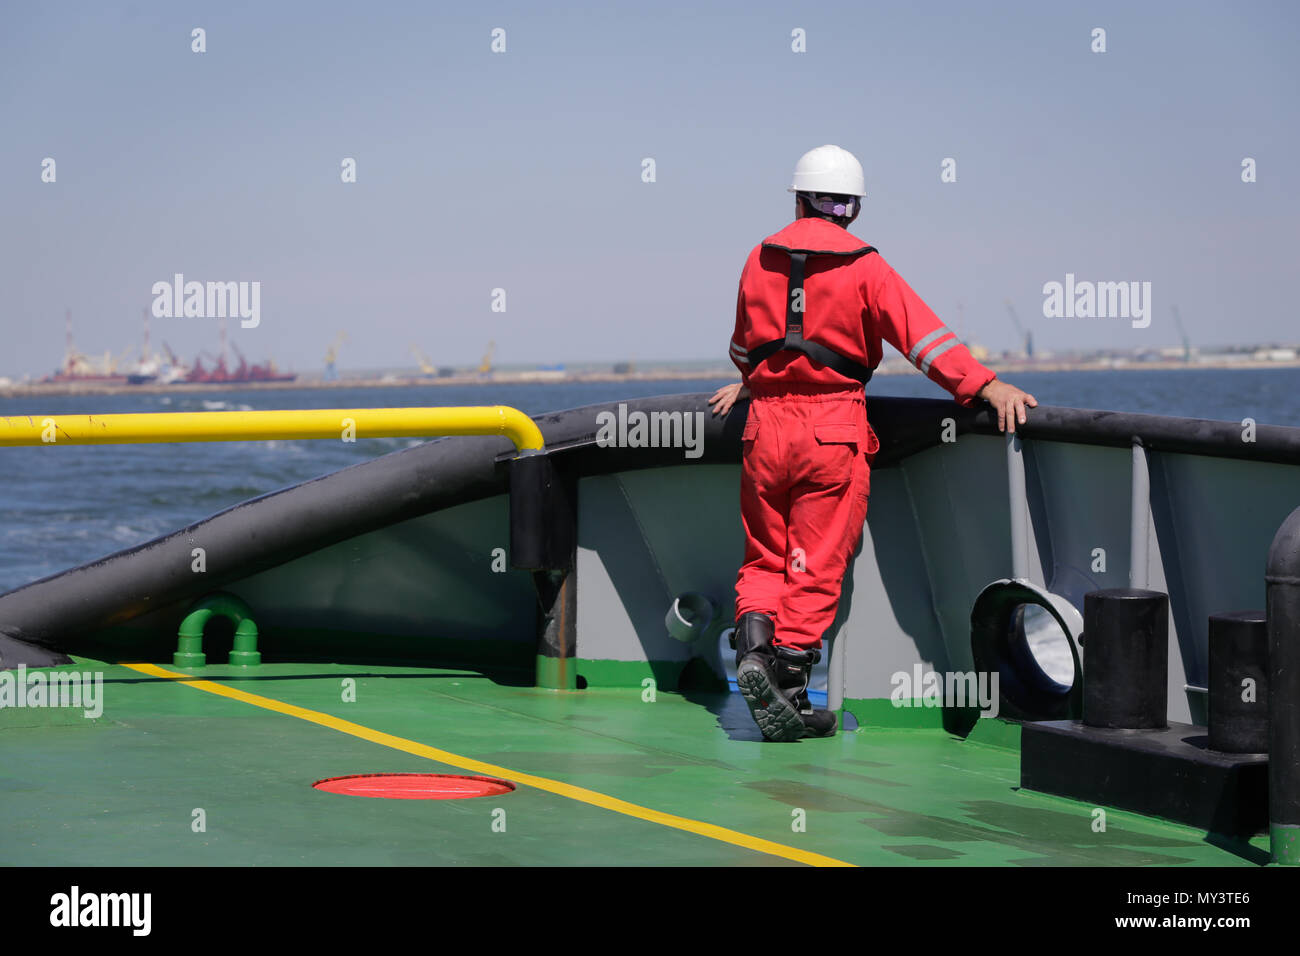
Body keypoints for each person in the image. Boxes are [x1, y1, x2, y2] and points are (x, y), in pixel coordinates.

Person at [708, 144, 1036, 742]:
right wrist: (984, 385)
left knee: (765, 557)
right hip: (832, 429)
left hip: (764, 427)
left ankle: (754, 649)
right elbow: (924, 340)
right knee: (817, 562)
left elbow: (742, 346)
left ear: (796, 198)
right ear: (850, 208)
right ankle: (788, 679)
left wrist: (759, 381)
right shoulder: (865, 264)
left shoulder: (759, 258)